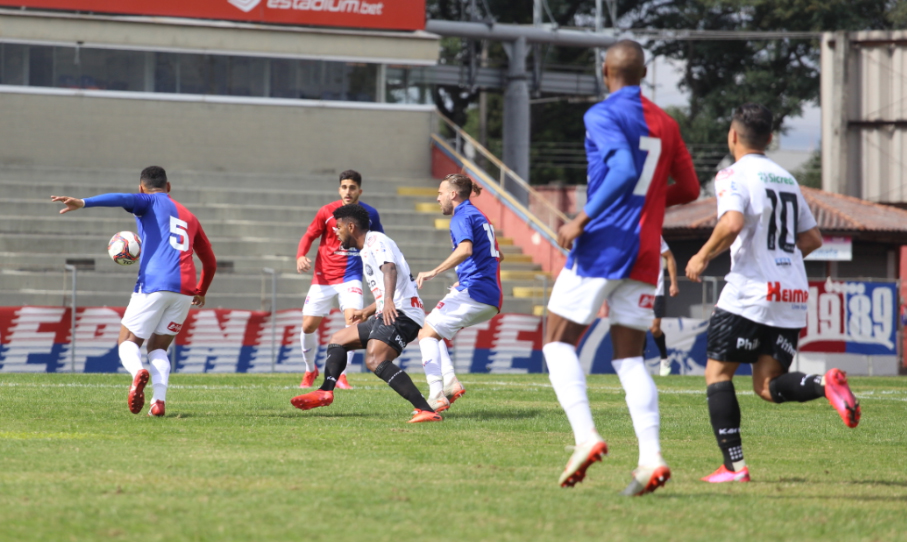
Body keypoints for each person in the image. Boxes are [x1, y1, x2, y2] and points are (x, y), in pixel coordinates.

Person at [542, 39, 700, 495]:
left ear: (605, 71)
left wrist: (581, 218)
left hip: (604, 243)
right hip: (646, 250)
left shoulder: (602, 113)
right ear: (644, 72)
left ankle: (585, 438)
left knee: (556, 341)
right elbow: (690, 188)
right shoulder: (667, 122)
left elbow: (625, 168)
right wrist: (650, 200)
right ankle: (651, 458)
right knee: (630, 358)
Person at [686, 103, 860, 483]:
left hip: (751, 291)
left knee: (717, 373)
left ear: (733, 136)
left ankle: (734, 467)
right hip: (791, 292)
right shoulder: (787, 179)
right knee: (766, 384)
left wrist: (701, 255)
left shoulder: (732, 174)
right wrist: (781, 262)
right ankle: (824, 384)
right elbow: (812, 238)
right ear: (769, 138)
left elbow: (732, 222)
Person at [51, 166, 216, 417]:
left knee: (128, 341)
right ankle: (158, 402)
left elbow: (120, 198)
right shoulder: (191, 218)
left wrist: (83, 202)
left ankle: (138, 372)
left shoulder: (147, 201)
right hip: (185, 289)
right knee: (159, 348)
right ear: (168, 187)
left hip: (154, 283)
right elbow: (210, 262)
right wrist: (201, 290)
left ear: (141, 187)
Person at [290, 204, 440, 423]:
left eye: (339, 227)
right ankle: (325, 391)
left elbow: (390, 269)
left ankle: (426, 410)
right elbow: (393, 284)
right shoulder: (366, 248)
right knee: (339, 339)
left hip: (403, 313)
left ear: (351, 227)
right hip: (389, 310)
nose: (335, 231)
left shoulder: (376, 241)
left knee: (375, 360)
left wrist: (387, 302)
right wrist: (368, 311)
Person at [416, 173, 502, 412]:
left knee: (425, 334)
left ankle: (436, 395)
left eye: (440, 193)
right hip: (488, 294)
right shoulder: (479, 215)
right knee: (432, 330)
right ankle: (450, 382)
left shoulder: (461, 215)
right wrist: (465, 279)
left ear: (453, 194)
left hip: (476, 291)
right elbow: (497, 254)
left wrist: (434, 271)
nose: (438, 198)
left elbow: (465, 249)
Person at [296, 170, 383, 390]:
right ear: (339, 189)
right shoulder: (326, 211)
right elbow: (309, 235)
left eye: (352, 187)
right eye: (344, 187)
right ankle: (310, 370)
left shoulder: (370, 214)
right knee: (308, 326)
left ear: (360, 190)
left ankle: (342, 375)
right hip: (323, 277)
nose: (348, 191)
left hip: (351, 277)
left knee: (353, 322)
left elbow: (379, 240)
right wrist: (300, 256)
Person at [653, 237, 680, 376]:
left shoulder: (654, 236)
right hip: (635, 289)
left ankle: (664, 358)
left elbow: (669, 256)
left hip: (656, 290)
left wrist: (673, 283)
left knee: (654, 328)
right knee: (638, 328)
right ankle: (638, 363)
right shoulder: (626, 234)